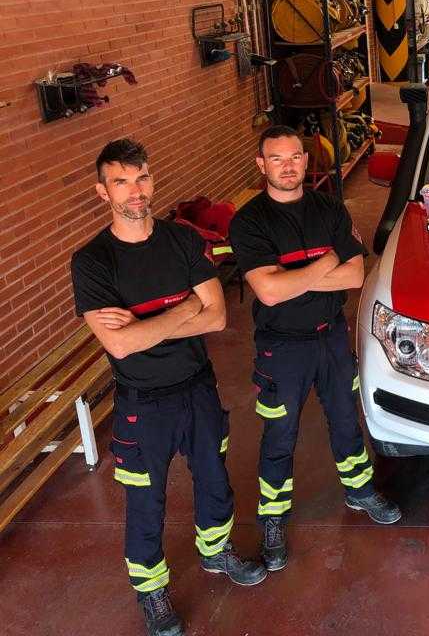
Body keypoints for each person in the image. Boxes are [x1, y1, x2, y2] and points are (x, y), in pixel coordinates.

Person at [71, 139, 266, 636]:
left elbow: (218, 315)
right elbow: (120, 347)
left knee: (213, 477)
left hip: (197, 388)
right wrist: (184, 310)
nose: (135, 192)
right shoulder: (93, 261)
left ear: (152, 182)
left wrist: (144, 322)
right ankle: (151, 589)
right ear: (102, 191)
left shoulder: (180, 240)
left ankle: (216, 550)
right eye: (121, 181)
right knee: (145, 499)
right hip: (143, 403)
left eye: (141, 179)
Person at [229, 125, 401, 573]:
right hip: (281, 348)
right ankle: (272, 517)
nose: (288, 166)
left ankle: (360, 490)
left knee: (346, 418)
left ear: (307, 161)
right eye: (277, 159)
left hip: (330, 338)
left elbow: (355, 276)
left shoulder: (329, 209)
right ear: (261, 164)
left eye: (295, 157)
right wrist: (328, 261)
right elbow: (267, 293)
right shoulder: (249, 222)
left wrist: (292, 278)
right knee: (279, 436)